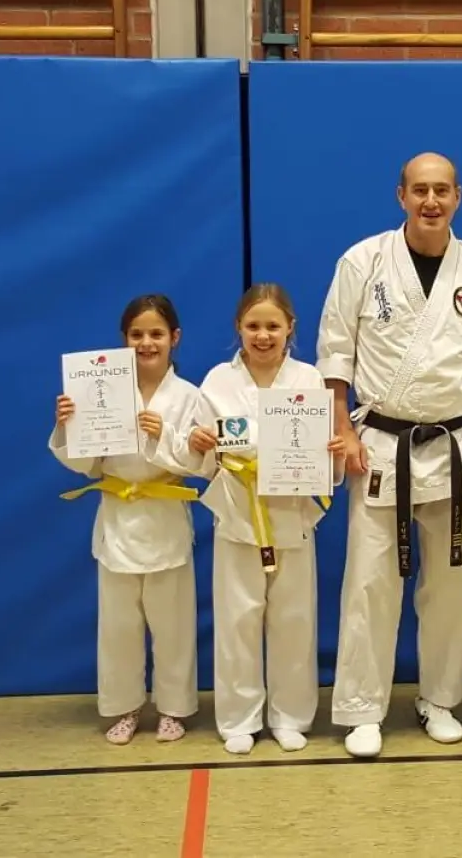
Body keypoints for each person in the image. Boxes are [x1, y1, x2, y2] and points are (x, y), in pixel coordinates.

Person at [316, 152, 462, 759]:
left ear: (458, 196)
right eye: (419, 190)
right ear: (400, 195)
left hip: (459, 444)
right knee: (370, 583)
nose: (430, 201)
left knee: (451, 585)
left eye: (442, 191)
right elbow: (336, 355)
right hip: (381, 443)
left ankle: (439, 697)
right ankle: (360, 708)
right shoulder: (363, 261)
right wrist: (345, 432)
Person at [175, 284, 346, 755]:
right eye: (254, 326)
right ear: (239, 329)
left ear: (291, 327)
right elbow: (201, 463)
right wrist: (200, 447)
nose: (263, 335)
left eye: (273, 325)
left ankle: (290, 716)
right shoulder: (216, 382)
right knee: (236, 620)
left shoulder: (309, 380)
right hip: (236, 512)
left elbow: (324, 460)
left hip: (291, 514)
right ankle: (239, 718)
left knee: (293, 620)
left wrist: (330, 455)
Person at [51, 294, 202, 746]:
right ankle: (125, 706)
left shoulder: (190, 396)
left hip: (165, 514)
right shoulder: (99, 391)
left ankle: (174, 707)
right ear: (124, 341)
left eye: (156, 334)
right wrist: (67, 424)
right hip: (118, 514)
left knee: (173, 623)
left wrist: (168, 436)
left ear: (174, 339)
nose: (146, 342)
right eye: (137, 335)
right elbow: (84, 464)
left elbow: (204, 464)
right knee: (118, 626)